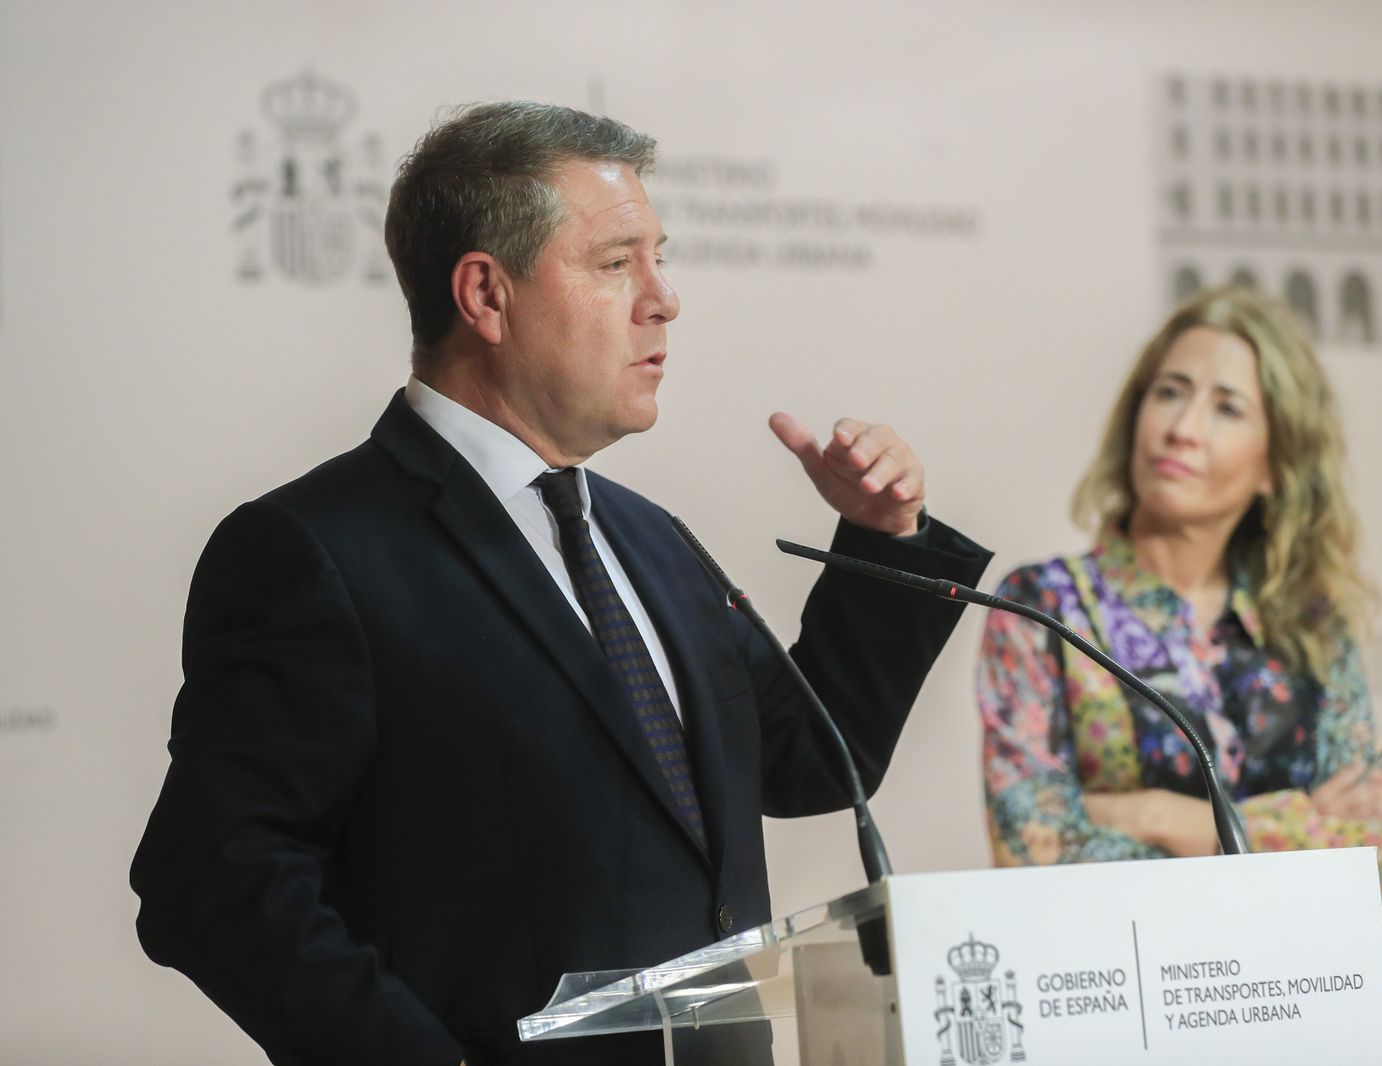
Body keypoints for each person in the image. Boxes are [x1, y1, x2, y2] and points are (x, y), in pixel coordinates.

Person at [131, 101, 990, 1066]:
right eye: (617, 263)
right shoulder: (315, 552)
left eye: (660, 259)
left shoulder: (647, 537)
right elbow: (215, 879)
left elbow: (807, 761)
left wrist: (883, 541)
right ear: (485, 295)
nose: (663, 299)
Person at [977, 285, 1382, 907]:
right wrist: (1297, 822)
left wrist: (1157, 815)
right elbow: (1033, 849)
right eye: (1169, 393)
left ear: (1276, 463)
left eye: (1227, 409)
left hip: (1286, 967)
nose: (1182, 429)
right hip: (1116, 961)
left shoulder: (1310, 624)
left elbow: (1381, 859)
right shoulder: (1042, 606)